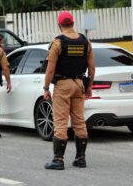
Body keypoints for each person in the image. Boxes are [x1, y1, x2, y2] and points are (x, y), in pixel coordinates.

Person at [44, 11, 95, 170]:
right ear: (72, 23)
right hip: (79, 83)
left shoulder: (58, 43)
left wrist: (46, 88)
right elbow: (92, 68)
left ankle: (58, 159)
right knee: (79, 121)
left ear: (59, 25)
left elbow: (50, 70)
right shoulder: (85, 42)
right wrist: (89, 86)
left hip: (63, 85)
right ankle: (81, 158)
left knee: (60, 121)